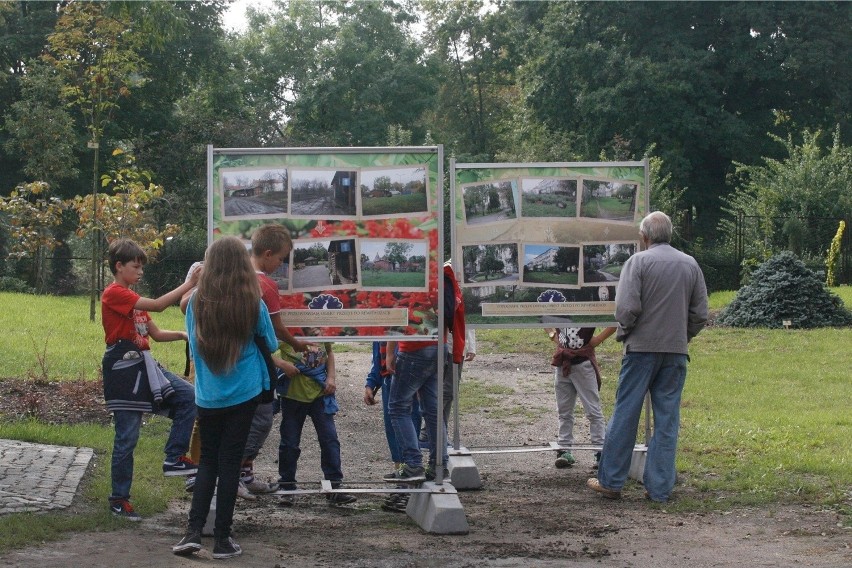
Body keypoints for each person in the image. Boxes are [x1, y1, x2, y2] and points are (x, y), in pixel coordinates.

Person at [172, 236, 295, 558]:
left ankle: (193, 533)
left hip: (208, 396)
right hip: (245, 393)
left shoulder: (197, 300)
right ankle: (224, 540)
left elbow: (195, 346)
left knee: (207, 464)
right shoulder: (252, 301)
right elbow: (270, 344)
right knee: (229, 465)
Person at [588, 211, 708, 503]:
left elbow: (626, 309)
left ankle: (611, 481)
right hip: (676, 352)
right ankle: (660, 488)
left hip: (640, 350)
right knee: (667, 420)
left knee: (625, 414)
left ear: (644, 237)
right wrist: (683, 335)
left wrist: (627, 332)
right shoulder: (690, 264)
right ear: (670, 234)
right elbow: (700, 314)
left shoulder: (637, 262)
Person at [101, 238, 200, 521]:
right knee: (127, 438)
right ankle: (119, 499)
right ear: (119, 267)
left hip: (145, 367)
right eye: (136, 266)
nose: (140, 271)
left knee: (189, 396)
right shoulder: (115, 293)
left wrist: (184, 335)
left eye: (142, 266)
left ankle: (174, 457)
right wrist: (190, 283)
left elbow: (154, 334)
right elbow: (158, 305)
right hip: (124, 370)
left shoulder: (134, 299)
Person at [239, 224, 306, 499]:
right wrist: (297, 344)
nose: (280, 264)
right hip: (260, 362)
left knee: (247, 417)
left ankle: (244, 474)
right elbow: (277, 329)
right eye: (280, 258)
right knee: (262, 420)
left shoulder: (238, 278)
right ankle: (233, 473)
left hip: (243, 361)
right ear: (267, 254)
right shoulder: (266, 284)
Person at [385, 263, 465, 483]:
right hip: (440, 347)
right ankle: (439, 465)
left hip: (413, 348)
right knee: (433, 410)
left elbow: (397, 317)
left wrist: (389, 353)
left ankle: (412, 464)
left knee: (398, 407)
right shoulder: (439, 277)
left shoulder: (411, 280)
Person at [277, 330, 357, 506]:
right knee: (289, 442)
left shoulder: (321, 327)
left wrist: (331, 377)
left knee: (330, 439)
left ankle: (335, 485)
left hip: (320, 394)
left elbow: (329, 352)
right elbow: (268, 352)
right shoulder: (283, 329)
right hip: (292, 395)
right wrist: (283, 364)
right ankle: (286, 486)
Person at [363, 341, 422, 511]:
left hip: (408, 378)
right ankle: (402, 483)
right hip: (389, 379)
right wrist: (371, 382)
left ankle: (409, 487)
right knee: (393, 431)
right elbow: (377, 356)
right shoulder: (382, 322)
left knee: (409, 428)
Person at [548, 326, 615, 468]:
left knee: (593, 410)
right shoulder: (561, 305)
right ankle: (564, 449)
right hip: (563, 362)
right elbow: (543, 315)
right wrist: (552, 334)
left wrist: (597, 340)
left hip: (583, 362)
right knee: (564, 411)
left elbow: (614, 320)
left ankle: (600, 451)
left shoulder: (588, 304)